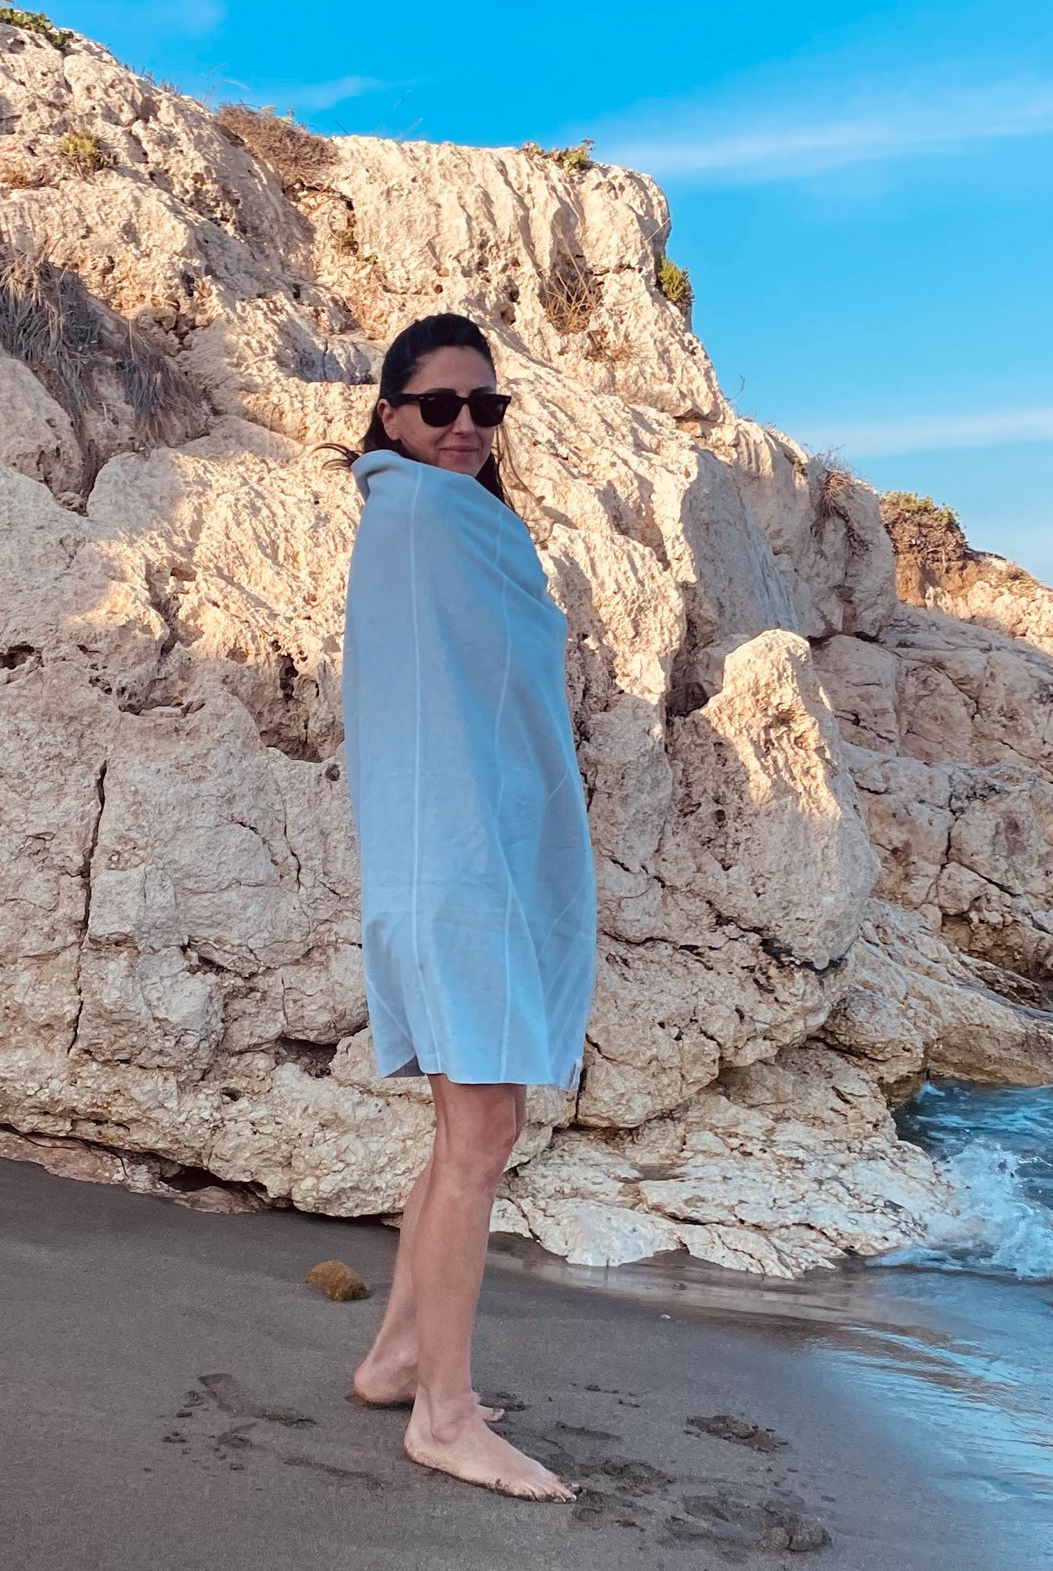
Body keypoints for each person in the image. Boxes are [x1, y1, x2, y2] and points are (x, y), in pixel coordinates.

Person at [330, 313, 597, 1502]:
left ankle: (398, 1358)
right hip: (450, 870)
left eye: (485, 407)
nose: (464, 427)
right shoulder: (419, 517)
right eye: (439, 405)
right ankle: (442, 1416)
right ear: (391, 415)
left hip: (453, 863)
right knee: (481, 1136)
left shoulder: (442, 522)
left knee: (464, 1133)